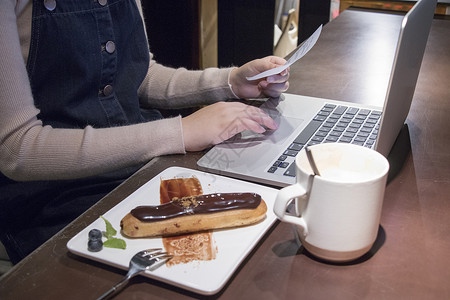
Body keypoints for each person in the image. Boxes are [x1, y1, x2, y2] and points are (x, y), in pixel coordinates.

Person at [0, 0, 289, 263]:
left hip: (137, 167)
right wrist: (182, 132)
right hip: (52, 197)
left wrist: (230, 82)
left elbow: (138, 76)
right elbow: (17, 148)